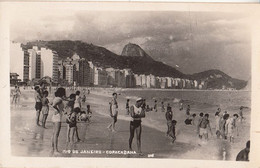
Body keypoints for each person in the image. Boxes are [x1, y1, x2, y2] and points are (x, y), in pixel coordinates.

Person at [51, 87, 66, 156]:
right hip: (58, 117)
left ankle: (53, 148)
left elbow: (51, 103)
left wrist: (58, 110)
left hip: (54, 117)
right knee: (56, 134)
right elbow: (54, 105)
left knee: (54, 133)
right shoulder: (59, 99)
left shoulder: (56, 98)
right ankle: (55, 150)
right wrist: (57, 109)